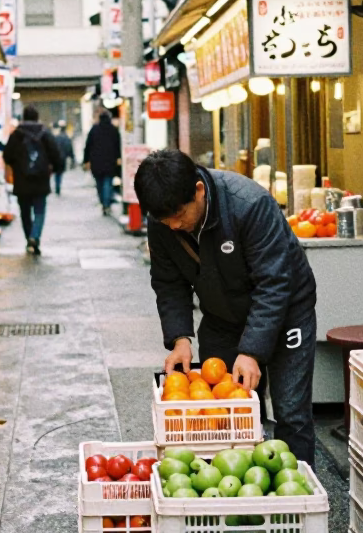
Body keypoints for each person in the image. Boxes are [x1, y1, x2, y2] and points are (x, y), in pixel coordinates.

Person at [134, 148, 318, 465]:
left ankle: (298, 497)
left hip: (287, 312)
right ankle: (235, 498)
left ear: (199, 191)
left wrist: (251, 352)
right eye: (166, 220)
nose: (174, 225)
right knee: (224, 412)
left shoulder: (249, 205)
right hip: (222, 316)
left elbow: (274, 283)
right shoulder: (162, 221)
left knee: (290, 410)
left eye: (179, 215)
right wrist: (180, 339)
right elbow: (169, 282)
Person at [3, 105, 63, 256]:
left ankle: (29, 238)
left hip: (22, 181)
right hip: (41, 180)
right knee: (39, 211)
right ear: (37, 117)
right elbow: (56, 155)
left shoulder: (16, 135)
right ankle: (34, 237)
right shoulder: (45, 134)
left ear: (23, 117)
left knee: (25, 212)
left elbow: (7, 156)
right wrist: (54, 169)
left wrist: (18, 165)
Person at [83, 110, 121, 215]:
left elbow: (87, 146)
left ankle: (103, 202)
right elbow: (118, 146)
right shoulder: (114, 130)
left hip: (96, 163)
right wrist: (118, 158)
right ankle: (106, 205)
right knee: (108, 184)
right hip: (110, 162)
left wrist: (86, 160)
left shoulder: (94, 129)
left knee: (99, 184)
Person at [52, 122, 74, 195]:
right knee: (59, 173)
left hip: (56, 157)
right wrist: (71, 157)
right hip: (62, 158)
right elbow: (69, 148)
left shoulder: (57, 137)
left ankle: (57, 186)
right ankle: (58, 186)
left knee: (57, 173)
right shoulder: (66, 138)